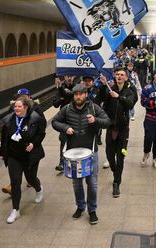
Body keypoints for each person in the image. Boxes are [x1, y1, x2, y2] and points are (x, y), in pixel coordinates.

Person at [52, 84, 111, 224]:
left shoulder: (94, 108)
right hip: (73, 153)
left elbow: (107, 122)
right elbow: (54, 122)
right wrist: (65, 128)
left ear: (86, 95)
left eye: (80, 94)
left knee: (92, 183)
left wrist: (95, 120)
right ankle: (80, 206)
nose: (78, 97)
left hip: (90, 153)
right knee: (77, 183)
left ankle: (92, 210)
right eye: (75, 94)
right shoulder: (67, 109)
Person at [0, 96, 46, 224]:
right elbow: (4, 138)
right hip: (14, 156)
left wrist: (33, 144)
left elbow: (41, 133)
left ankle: (39, 189)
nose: (16, 108)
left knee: (30, 179)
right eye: (15, 106)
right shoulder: (10, 120)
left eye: (19, 106)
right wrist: (2, 152)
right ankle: (15, 210)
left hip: (30, 156)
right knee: (15, 182)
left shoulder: (34, 119)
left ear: (25, 107)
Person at [97, 67, 137, 198]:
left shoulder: (129, 90)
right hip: (110, 128)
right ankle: (115, 171)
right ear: (115, 76)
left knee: (121, 156)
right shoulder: (110, 88)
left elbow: (130, 104)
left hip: (123, 129)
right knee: (109, 155)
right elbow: (98, 101)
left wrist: (119, 97)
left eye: (122, 75)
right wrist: (104, 86)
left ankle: (116, 183)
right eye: (117, 74)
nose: (119, 76)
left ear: (126, 77)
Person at [2, 88, 44, 195]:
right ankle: (14, 189)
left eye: (24, 97)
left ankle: (36, 186)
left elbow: (41, 128)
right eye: (19, 97)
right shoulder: (13, 108)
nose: (21, 99)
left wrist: (34, 142)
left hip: (30, 146)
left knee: (30, 177)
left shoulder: (36, 109)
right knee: (16, 176)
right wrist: (3, 150)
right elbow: (7, 126)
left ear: (29, 97)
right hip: (15, 148)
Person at [53, 75, 76, 172]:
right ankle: (62, 163)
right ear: (65, 77)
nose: (69, 78)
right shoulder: (60, 88)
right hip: (64, 119)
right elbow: (55, 104)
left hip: (75, 118)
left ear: (74, 77)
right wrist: (62, 97)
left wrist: (64, 93)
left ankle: (73, 161)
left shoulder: (77, 87)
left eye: (71, 76)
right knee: (63, 140)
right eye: (67, 76)